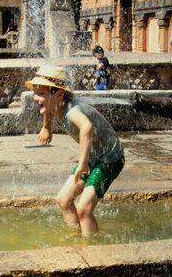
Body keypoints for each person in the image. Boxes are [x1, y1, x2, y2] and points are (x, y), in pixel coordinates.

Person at [25, 65, 125, 237]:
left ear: (59, 93)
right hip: (93, 157)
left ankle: (91, 247)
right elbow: (48, 110)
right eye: (35, 92)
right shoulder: (55, 104)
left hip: (110, 159)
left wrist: (83, 164)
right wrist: (46, 127)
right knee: (63, 200)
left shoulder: (72, 111)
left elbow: (86, 127)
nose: (35, 98)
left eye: (40, 93)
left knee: (84, 209)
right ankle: (77, 236)